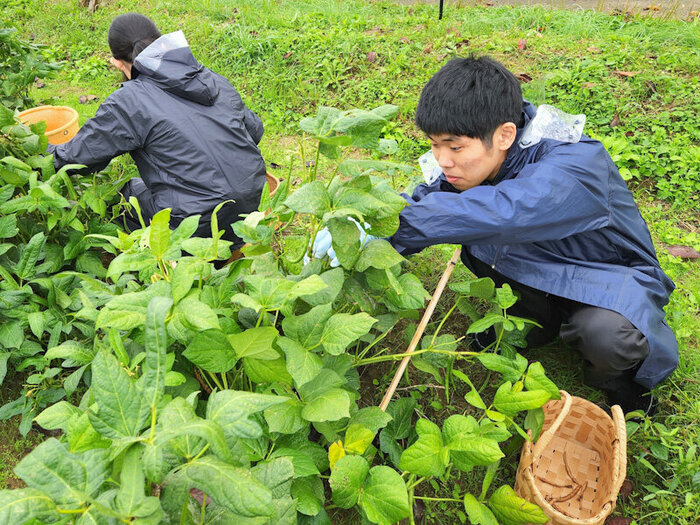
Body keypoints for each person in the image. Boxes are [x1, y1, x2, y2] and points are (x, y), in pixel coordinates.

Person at [317, 56, 678, 415]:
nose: (442, 160)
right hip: (536, 263)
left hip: (604, 274)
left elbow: (510, 210)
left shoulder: (575, 161)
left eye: (454, 147)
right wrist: (365, 229)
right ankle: (532, 324)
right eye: (434, 145)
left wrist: (401, 224)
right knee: (472, 232)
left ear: (505, 134)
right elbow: (427, 199)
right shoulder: (476, 160)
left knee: (605, 335)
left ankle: (621, 384)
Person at [48, 13, 266, 248]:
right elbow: (254, 131)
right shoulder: (209, 77)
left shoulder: (129, 101)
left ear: (117, 62)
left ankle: (156, 254)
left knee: (121, 195)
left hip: (196, 227)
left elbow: (76, 158)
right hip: (252, 205)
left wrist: (38, 152)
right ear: (161, 43)